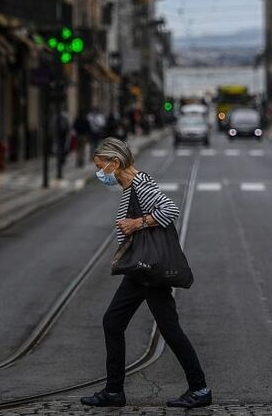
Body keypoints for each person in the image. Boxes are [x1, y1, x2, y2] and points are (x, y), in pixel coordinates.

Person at [80, 138, 211, 409]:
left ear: (115, 162)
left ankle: (199, 388)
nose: (100, 173)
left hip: (148, 268)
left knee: (167, 327)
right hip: (140, 269)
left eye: (100, 166)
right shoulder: (130, 185)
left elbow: (170, 210)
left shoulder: (141, 185)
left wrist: (135, 223)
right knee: (113, 322)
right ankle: (114, 391)